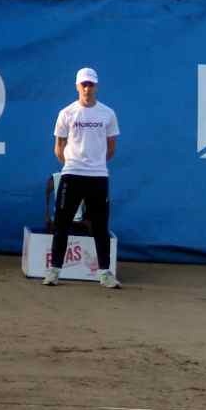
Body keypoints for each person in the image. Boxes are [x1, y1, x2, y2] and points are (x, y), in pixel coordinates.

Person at [44, 68, 121, 289]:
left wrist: (95, 165)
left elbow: (111, 148)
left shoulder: (108, 114)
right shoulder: (66, 113)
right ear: (77, 86)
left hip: (98, 177)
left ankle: (105, 273)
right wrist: (73, 164)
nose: (87, 88)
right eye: (84, 84)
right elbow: (59, 147)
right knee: (62, 223)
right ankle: (54, 271)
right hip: (71, 176)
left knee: (100, 226)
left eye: (91, 84)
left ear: (97, 86)